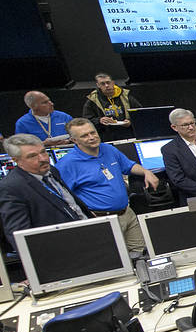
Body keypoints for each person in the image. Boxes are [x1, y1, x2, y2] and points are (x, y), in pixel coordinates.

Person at [56, 118, 158, 256]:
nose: (91, 137)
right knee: (114, 259)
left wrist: (146, 172)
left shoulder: (108, 149)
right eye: (84, 136)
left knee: (142, 254)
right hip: (102, 220)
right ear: (74, 140)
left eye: (93, 132)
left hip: (126, 213)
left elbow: (129, 165)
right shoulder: (67, 164)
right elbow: (62, 197)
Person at [0, 133, 91, 249]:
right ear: (16, 160)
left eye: (43, 152)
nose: (43, 159)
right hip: (60, 249)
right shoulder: (11, 187)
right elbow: (19, 236)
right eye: (32, 156)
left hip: (85, 236)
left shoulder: (51, 170)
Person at [82, 73, 139, 141]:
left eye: (108, 82)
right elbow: (86, 121)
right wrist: (99, 120)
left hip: (129, 135)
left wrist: (130, 122)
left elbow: (140, 114)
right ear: (98, 85)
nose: (106, 85)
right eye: (103, 84)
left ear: (113, 83)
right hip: (106, 137)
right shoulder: (92, 100)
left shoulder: (126, 96)